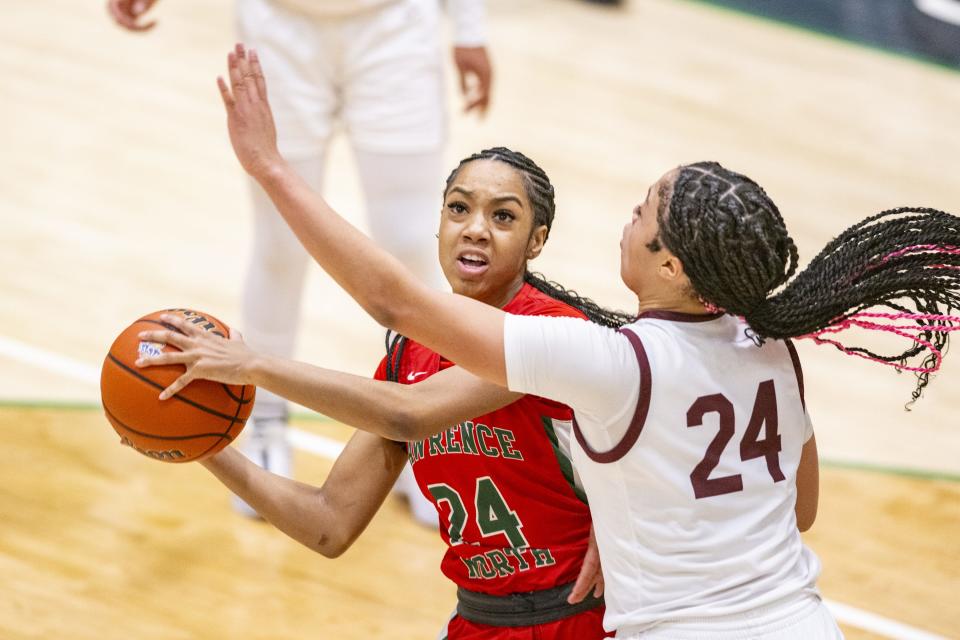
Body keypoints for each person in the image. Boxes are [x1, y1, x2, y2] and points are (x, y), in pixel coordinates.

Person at [198, 46, 960, 637]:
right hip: (787, 621)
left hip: (612, 625)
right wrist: (204, 443)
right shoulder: (768, 344)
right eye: (458, 206)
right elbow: (798, 508)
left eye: (639, 212)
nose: (625, 221)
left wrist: (269, 174)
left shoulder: (597, 356)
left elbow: (395, 333)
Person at [136, 140, 640, 636]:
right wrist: (199, 440)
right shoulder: (408, 358)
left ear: (536, 241)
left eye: (503, 217)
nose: (476, 230)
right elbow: (329, 524)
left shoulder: (548, 331)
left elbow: (409, 413)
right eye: (459, 209)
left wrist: (255, 366)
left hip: (585, 619)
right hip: (480, 620)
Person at [108, 0, 494, 522]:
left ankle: (423, 441)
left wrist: (469, 24)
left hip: (397, 26)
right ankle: (261, 423)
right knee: (280, 244)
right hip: (277, 25)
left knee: (411, 244)